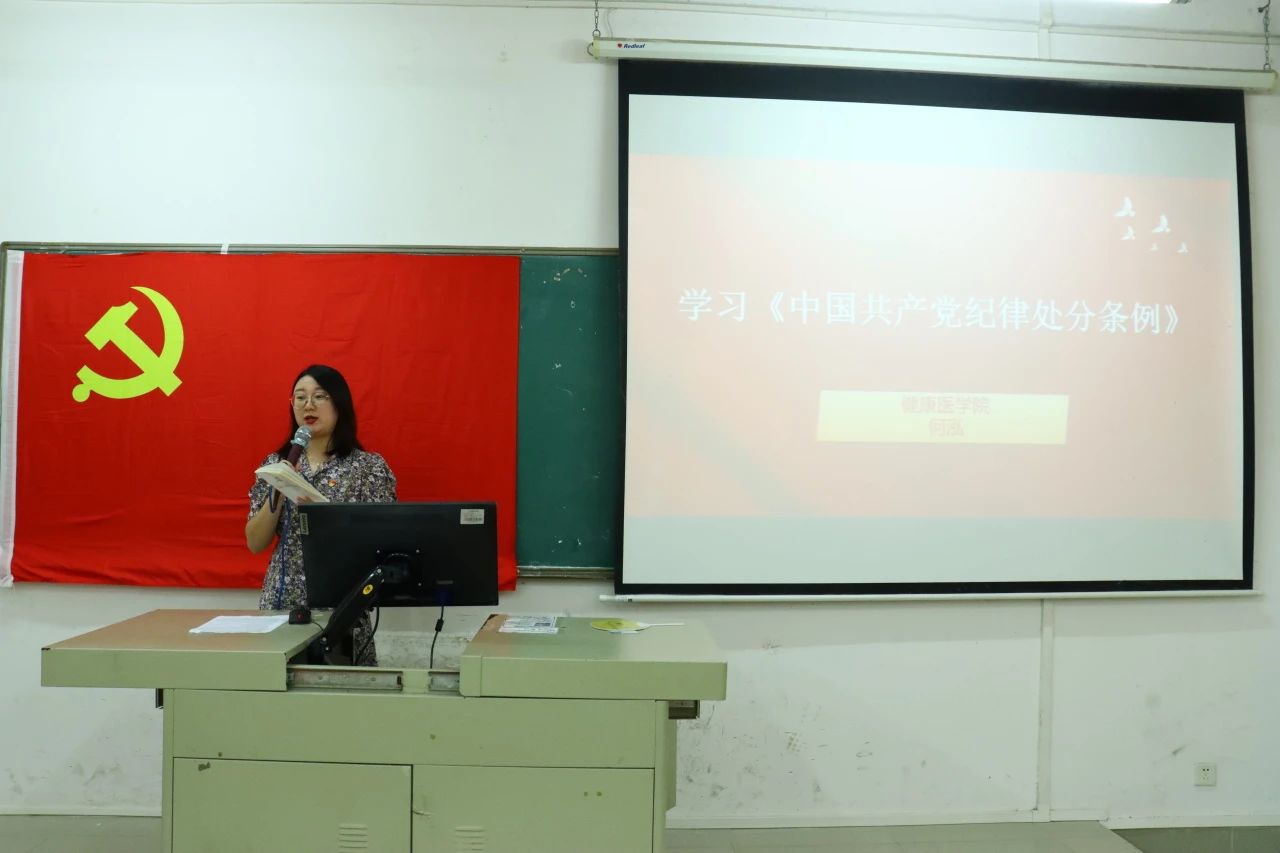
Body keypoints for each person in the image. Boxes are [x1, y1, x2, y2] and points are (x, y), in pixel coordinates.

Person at [245, 364, 397, 665]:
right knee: (280, 689)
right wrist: (279, 488)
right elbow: (255, 542)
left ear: (339, 404)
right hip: (283, 603)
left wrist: (328, 519)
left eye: (319, 396)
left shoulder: (367, 467)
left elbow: (385, 540)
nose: (308, 405)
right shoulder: (276, 465)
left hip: (343, 605)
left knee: (342, 689)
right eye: (300, 397)